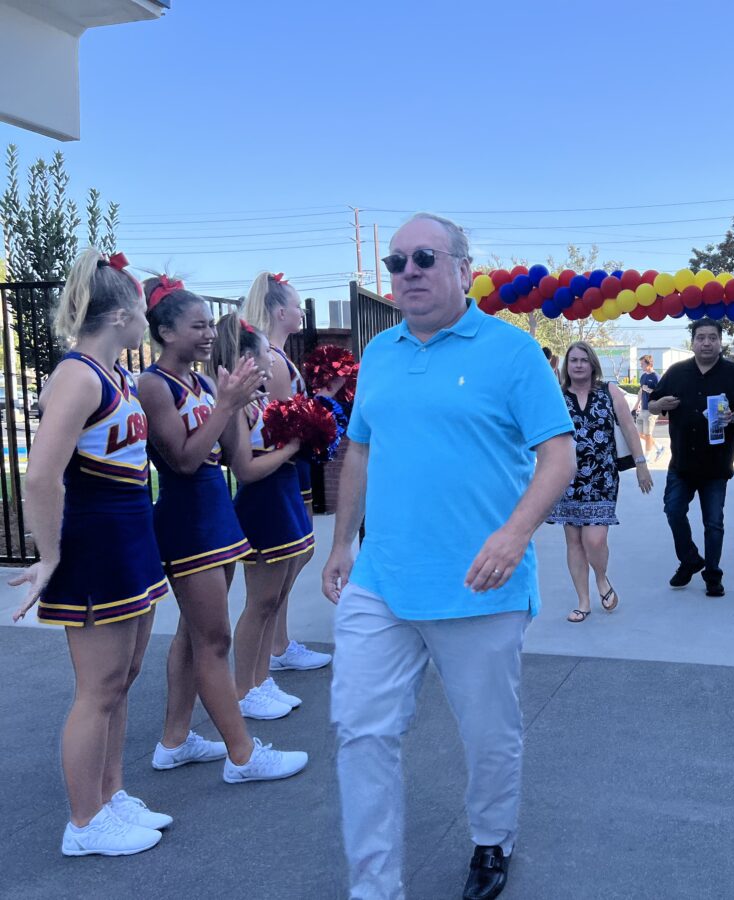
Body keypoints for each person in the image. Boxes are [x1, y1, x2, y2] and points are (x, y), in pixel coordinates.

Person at [322, 212, 576, 900]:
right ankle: (374, 887)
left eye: (424, 258)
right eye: (397, 262)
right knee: (360, 730)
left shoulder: (512, 352)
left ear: (465, 270)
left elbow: (559, 454)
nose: (408, 273)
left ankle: (492, 840)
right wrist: (343, 541)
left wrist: (516, 532)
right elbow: (362, 450)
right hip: (381, 582)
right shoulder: (379, 355)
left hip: (480, 585)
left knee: (489, 735)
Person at [9, 250, 171, 856]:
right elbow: (40, 477)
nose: (146, 322)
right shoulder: (77, 375)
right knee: (98, 686)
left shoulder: (116, 375)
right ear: (125, 312)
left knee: (122, 678)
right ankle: (84, 823)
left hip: (130, 537)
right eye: (142, 312)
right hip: (95, 543)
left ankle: (110, 794)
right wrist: (49, 558)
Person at [139, 278, 308, 783]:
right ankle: (243, 755)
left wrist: (271, 428)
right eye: (199, 325)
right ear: (166, 332)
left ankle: (174, 740)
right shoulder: (154, 385)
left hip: (219, 519)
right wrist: (226, 406)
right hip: (188, 520)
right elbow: (186, 460)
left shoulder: (206, 383)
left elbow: (240, 462)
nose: (211, 333)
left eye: (211, 324)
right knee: (214, 640)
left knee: (195, 637)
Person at [210, 316, 310, 720]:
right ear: (249, 358)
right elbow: (245, 469)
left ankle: (261, 679)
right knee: (261, 601)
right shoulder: (238, 408)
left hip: (284, 500)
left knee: (275, 599)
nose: (274, 356)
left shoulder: (263, 400)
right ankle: (243, 689)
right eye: (267, 350)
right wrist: (291, 449)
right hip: (262, 507)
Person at [242, 272, 332, 675]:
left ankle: (279, 642)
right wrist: (319, 418)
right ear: (280, 312)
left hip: (293, 469)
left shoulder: (278, 354)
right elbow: (281, 423)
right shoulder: (273, 361)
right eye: (297, 305)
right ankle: (273, 650)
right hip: (283, 470)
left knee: (298, 554)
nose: (301, 311)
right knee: (283, 561)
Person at [647, 318, 734, 597]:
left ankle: (712, 574)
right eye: (701, 337)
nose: (706, 342)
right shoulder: (676, 372)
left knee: (713, 522)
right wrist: (659, 405)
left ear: (720, 341)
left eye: (712, 337)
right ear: (693, 341)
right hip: (681, 462)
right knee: (673, 511)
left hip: (716, 464)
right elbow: (652, 405)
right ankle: (689, 559)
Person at [549, 342, 653, 622]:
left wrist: (641, 464)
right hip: (566, 478)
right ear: (567, 366)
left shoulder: (609, 391)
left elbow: (629, 427)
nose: (579, 365)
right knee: (573, 541)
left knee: (594, 539)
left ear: (593, 364)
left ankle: (602, 577)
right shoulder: (556, 396)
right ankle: (583, 601)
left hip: (602, 477)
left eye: (584, 360)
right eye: (573, 360)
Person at [634, 353, 664, 462]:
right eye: (640, 364)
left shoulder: (656, 377)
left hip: (652, 409)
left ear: (649, 364)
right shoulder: (643, 376)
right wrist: (637, 404)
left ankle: (646, 456)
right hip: (643, 409)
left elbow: (661, 394)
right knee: (639, 434)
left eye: (642, 364)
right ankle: (659, 447)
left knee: (647, 434)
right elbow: (641, 391)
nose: (640, 366)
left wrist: (650, 390)